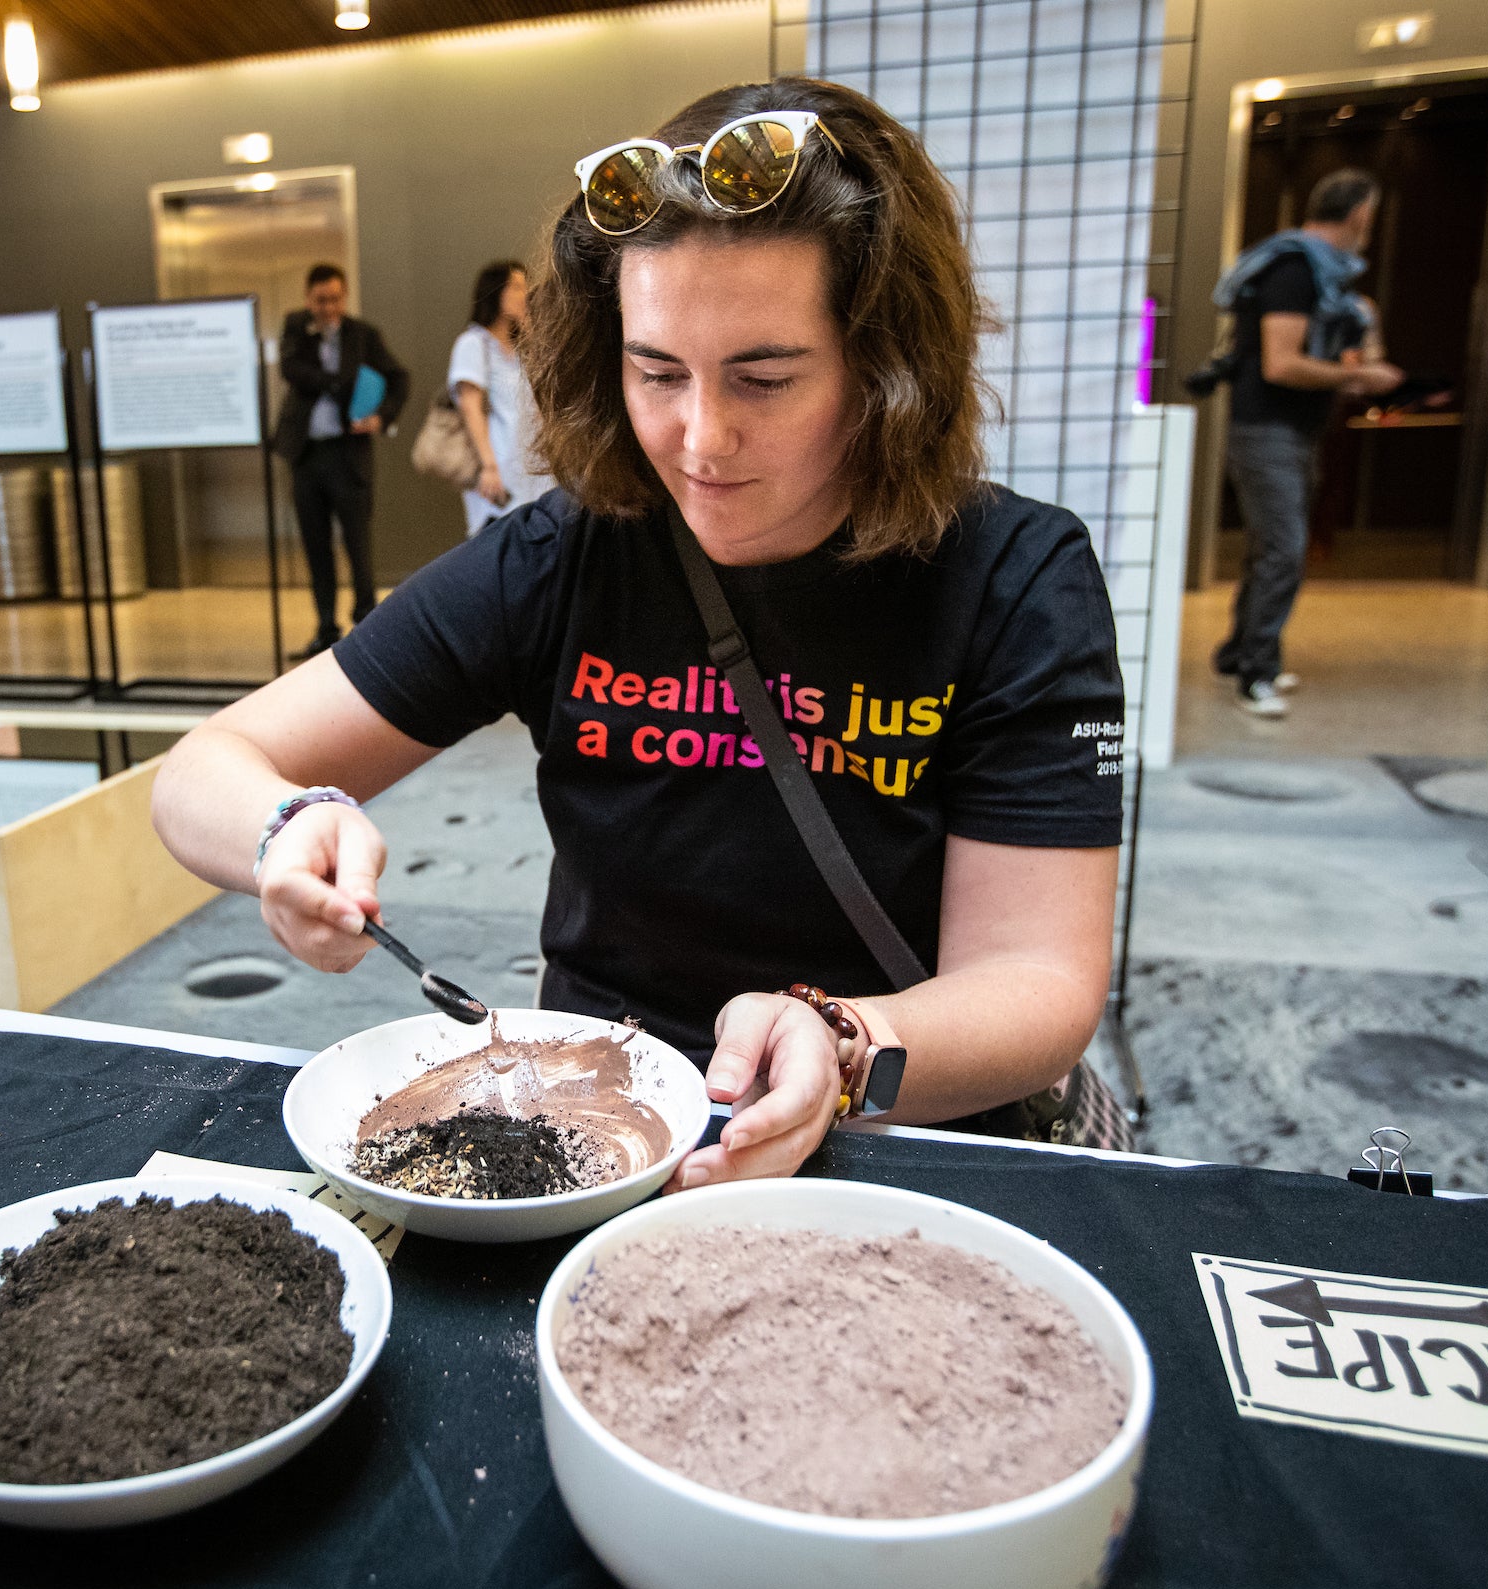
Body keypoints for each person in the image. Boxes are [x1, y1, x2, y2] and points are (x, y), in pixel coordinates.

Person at [153, 76, 1134, 1188]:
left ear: (886, 366)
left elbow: (1038, 983)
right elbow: (198, 773)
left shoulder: (1011, 577)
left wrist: (844, 1045)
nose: (699, 438)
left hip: (897, 1137)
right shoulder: (569, 552)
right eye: (655, 370)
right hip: (590, 1140)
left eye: (764, 377)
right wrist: (286, 827)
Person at [1211, 168, 1403, 719]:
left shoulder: (1328, 280)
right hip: (1266, 428)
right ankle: (1256, 672)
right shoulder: (1295, 270)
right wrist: (1360, 378)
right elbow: (1281, 362)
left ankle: (1240, 653)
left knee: (1270, 548)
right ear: (1360, 214)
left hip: (1296, 430)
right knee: (1285, 548)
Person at [272, 264, 409, 657]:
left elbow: (399, 377)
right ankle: (325, 628)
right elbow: (292, 369)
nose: (328, 307)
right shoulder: (296, 328)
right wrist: (333, 381)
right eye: (320, 300)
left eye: (335, 299)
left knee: (357, 543)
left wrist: (381, 416)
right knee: (315, 546)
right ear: (308, 299)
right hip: (307, 455)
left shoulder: (363, 335)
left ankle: (366, 626)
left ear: (344, 297)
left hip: (348, 456)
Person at [449, 260, 556, 536]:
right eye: (517, 287)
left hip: (534, 470)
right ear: (496, 291)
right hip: (498, 467)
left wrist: (530, 328)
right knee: (503, 543)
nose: (525, 294)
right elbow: (470, 407)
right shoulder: (473, 343)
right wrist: (489, 467)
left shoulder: (523, 348)